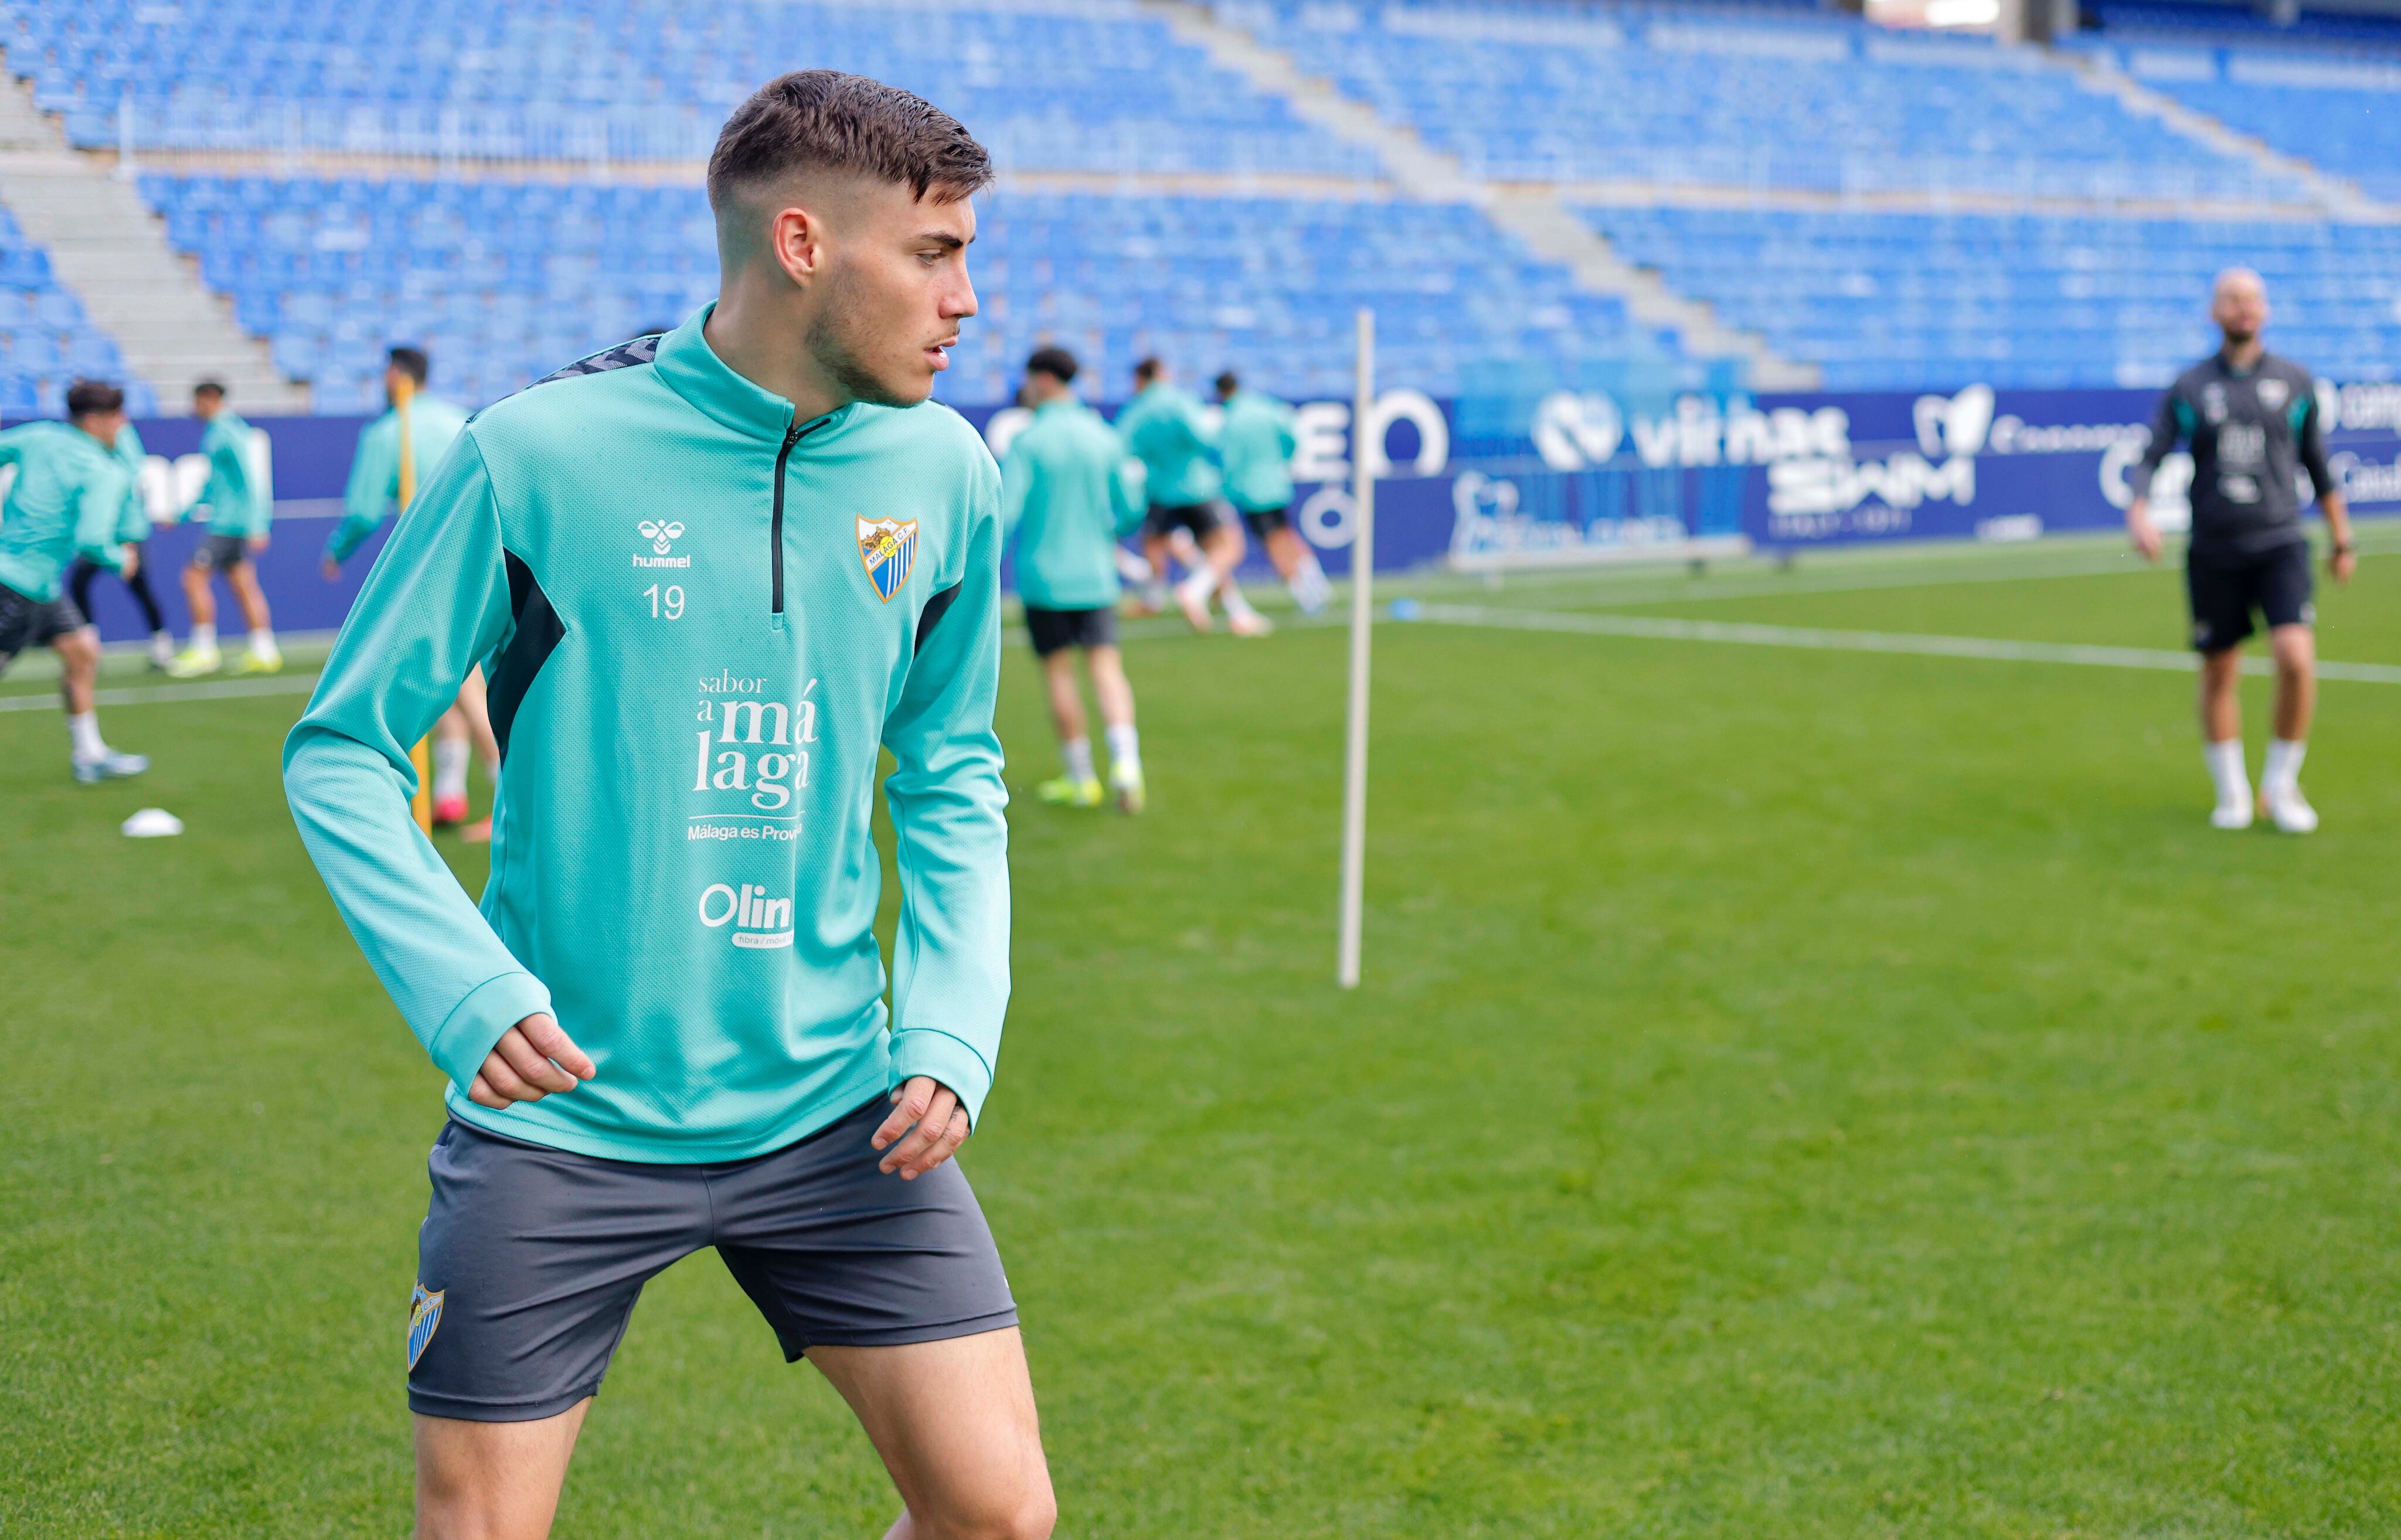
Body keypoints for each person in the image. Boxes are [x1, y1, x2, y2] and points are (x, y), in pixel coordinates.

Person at [283, 71, 1047, 1540]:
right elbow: (340, 750)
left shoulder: (947, 468)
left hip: (842, 1108)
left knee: (997, 1515)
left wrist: (951, 1017)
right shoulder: (538, 451)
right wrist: (462, 991)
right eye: (936, 253)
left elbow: (950, 769)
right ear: (806, 244)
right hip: (564, 1119)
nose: (967, 299)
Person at [2128, 267, 2354, 834]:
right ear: (2214, 312)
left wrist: (2340, 538)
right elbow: (2152, 455)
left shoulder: (2296, 383)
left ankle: (2280, 785)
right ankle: (2232, 790)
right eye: (2231, 299)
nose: (2242, 308)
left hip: (2279, 542)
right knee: (2219, 669)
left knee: (2295, 659)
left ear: (2265, 311)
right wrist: (2138, 509)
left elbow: (2319, 467)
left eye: (2251, 299)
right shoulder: (2188, 388)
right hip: (2212, 548)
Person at [322, 346, 496, 838]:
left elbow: (360, 511)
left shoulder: (387, 431)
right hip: (485, 557)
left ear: (396, 375)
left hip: (433, 566)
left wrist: (336, 550)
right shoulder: (459, 420)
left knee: (461, 685)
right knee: (456, 677)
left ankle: (505, 791)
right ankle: (449, 794)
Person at [1002, 346, 1147, 813]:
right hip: (1096, 576)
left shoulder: (1029, 441)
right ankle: (1127, 764)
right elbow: (1129, 511)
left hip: (1045, 578)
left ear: (1043, 379)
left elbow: (1005, 515)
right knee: (1107, 669)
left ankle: (1082, 777)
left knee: (1059, 674)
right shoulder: (1103, 437)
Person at [0, 380, 148, 782]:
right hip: (17, 587)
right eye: (118, 416)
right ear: (96, 421)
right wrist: (122, 559)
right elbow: (93, 540)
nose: (124, 423)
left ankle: (90, 754)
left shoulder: (39, 435)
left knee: (82, 652)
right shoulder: (104, 470)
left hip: (42, 587)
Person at [1114, 357, 1267, 636]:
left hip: (1159, 489)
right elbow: (1204, 438)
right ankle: (1197, 591)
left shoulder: (1136, 411)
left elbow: (1121, 449)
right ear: (1161, 373)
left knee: (1157, 547)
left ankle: (1157, 598)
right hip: (1196, 486)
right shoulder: (1180, 401)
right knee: (1227, 547)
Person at [169, 380, 279, 676]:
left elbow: (250, 479)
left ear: (209, 398)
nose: (193, 408)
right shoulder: (220, 431)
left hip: (228, 525)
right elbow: (212, 484)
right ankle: (264, 650)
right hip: (233, 524)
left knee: (192, 578)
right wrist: (182, 514)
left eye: (196, 401)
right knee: (243, 584)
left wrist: (259, 525)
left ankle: (204, 650)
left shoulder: (228, 431)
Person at [65, 415, 175, 670]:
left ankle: (161, 645)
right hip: (102, 531)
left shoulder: (121, 435)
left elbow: (131, 475)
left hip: (126, 531)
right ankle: (89, 646)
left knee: (140, 587)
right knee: (80, 582)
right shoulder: (90, 442)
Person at [1214, 370, 1328, 616]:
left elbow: (1230, 462)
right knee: (1287, 534)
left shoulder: (1232, 419)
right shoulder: (1265, 407)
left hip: (1251, 491)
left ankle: (1305, 594)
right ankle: (1316, 579)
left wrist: (1228, 492)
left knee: (1274, 543)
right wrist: (1282, 460)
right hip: (1276, 484)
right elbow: (1291, 436)